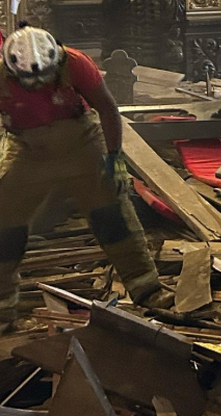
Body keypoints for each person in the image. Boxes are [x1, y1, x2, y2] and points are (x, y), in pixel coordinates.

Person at [0, 25, 169, 329]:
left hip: (81, 144)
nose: (38, 86)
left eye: (44, 78)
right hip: (30, 151)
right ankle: (2, 307)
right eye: (30, 81)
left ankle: (147, 290)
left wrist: (115, 158)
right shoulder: (1, 77)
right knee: (4, 226)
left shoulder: (75, 63)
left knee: (111, 213)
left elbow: (108, 109)